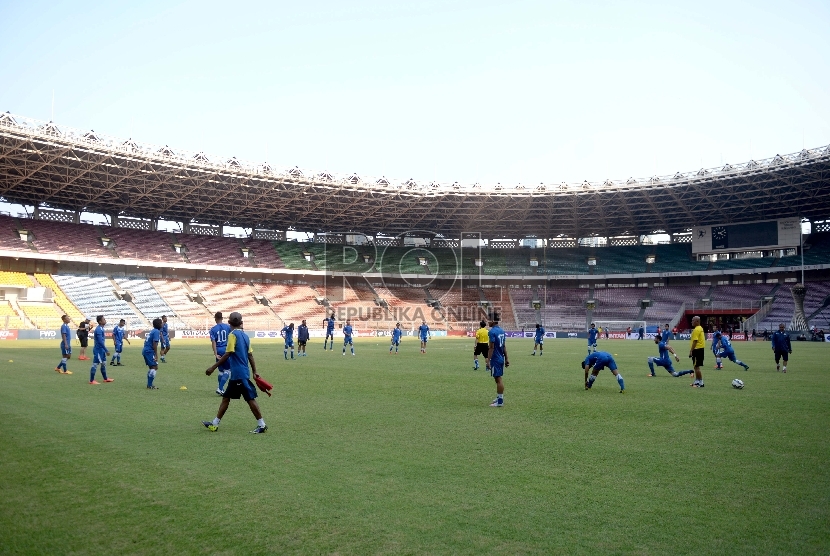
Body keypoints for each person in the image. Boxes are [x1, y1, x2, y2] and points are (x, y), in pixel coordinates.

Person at [203, 311, 268, 434]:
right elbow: (250, 355)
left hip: (238, 374)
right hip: (241, 373)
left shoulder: (232, 335)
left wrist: (213, 367)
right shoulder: (245, 336)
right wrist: (254, 371)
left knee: (250, 399)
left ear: (229, 323)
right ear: (241, 322)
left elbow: (228, 354)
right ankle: (215, 423)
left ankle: (262, 424)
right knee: (226, 398)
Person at [485, 318, 509, 406]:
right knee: (497, 378)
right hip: (501, 358)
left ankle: (500, 401)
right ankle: (499, 397)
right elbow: (504, 346)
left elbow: (491, 348)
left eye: (489, 320)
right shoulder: (501, 331)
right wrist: (506, 358)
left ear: (493, 321)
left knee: (498, 379)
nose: (488, 322)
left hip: (495, 358)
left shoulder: (492, 332)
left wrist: (488, 360)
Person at [210, 312, 231, 395]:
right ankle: (220, 388)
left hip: (218, 350)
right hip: (226, 350)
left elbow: (213, 342)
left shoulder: (213, 329)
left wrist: (215, 353)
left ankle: (220, 389)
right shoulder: (228, 327)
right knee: (228, 370)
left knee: (221, 370)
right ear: (222, 318)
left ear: (215, 319)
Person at [89, 315, 113, 385]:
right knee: (95, 364)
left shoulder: (101, 328)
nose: (105, 320)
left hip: (101, 350)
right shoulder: (99, 329)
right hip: (98, 350)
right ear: (100, 321)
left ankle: (105, 378)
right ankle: (91, 380)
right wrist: (106, 350)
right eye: (104, 319)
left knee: (104, 364)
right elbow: (100, 341)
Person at [144, 318, 162, 389]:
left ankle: (149, 384)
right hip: (149, 351)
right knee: (154, 367)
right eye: (161, 323)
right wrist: (156, 355)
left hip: (146, 350)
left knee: (152, 367)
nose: (162, 324)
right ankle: (149, 385)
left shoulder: (153, 331)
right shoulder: (156, 332)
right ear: (159, 324)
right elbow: (155, 344)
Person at [688, 315, 705, 388]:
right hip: (700, 349)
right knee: (696, 366)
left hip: (697, 350)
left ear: (697, 321)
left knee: (696, 367)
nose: (691, 322)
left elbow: (695, 341)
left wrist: (691, 351)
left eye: (693, 320)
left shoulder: (696, 330)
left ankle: (701, 382)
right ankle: (697, 381)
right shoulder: (700, 328)